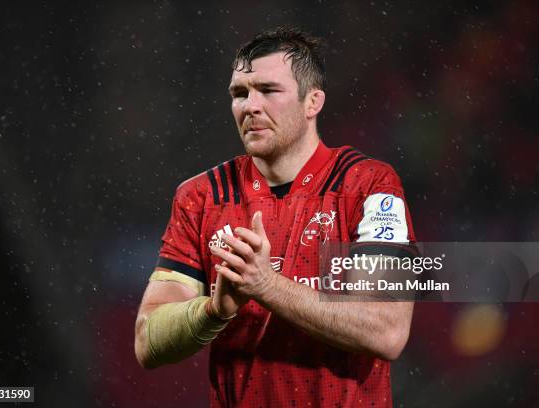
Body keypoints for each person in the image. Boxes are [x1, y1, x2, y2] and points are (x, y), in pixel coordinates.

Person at [134, 26, 416, 407]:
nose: (250, 106)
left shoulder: (370, 186)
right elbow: (147, 341)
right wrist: (213, 311)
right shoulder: (201, 196)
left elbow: (387, 331)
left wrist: (266, 284)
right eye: (240, 93)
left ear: (312, 101)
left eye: (268, 90)